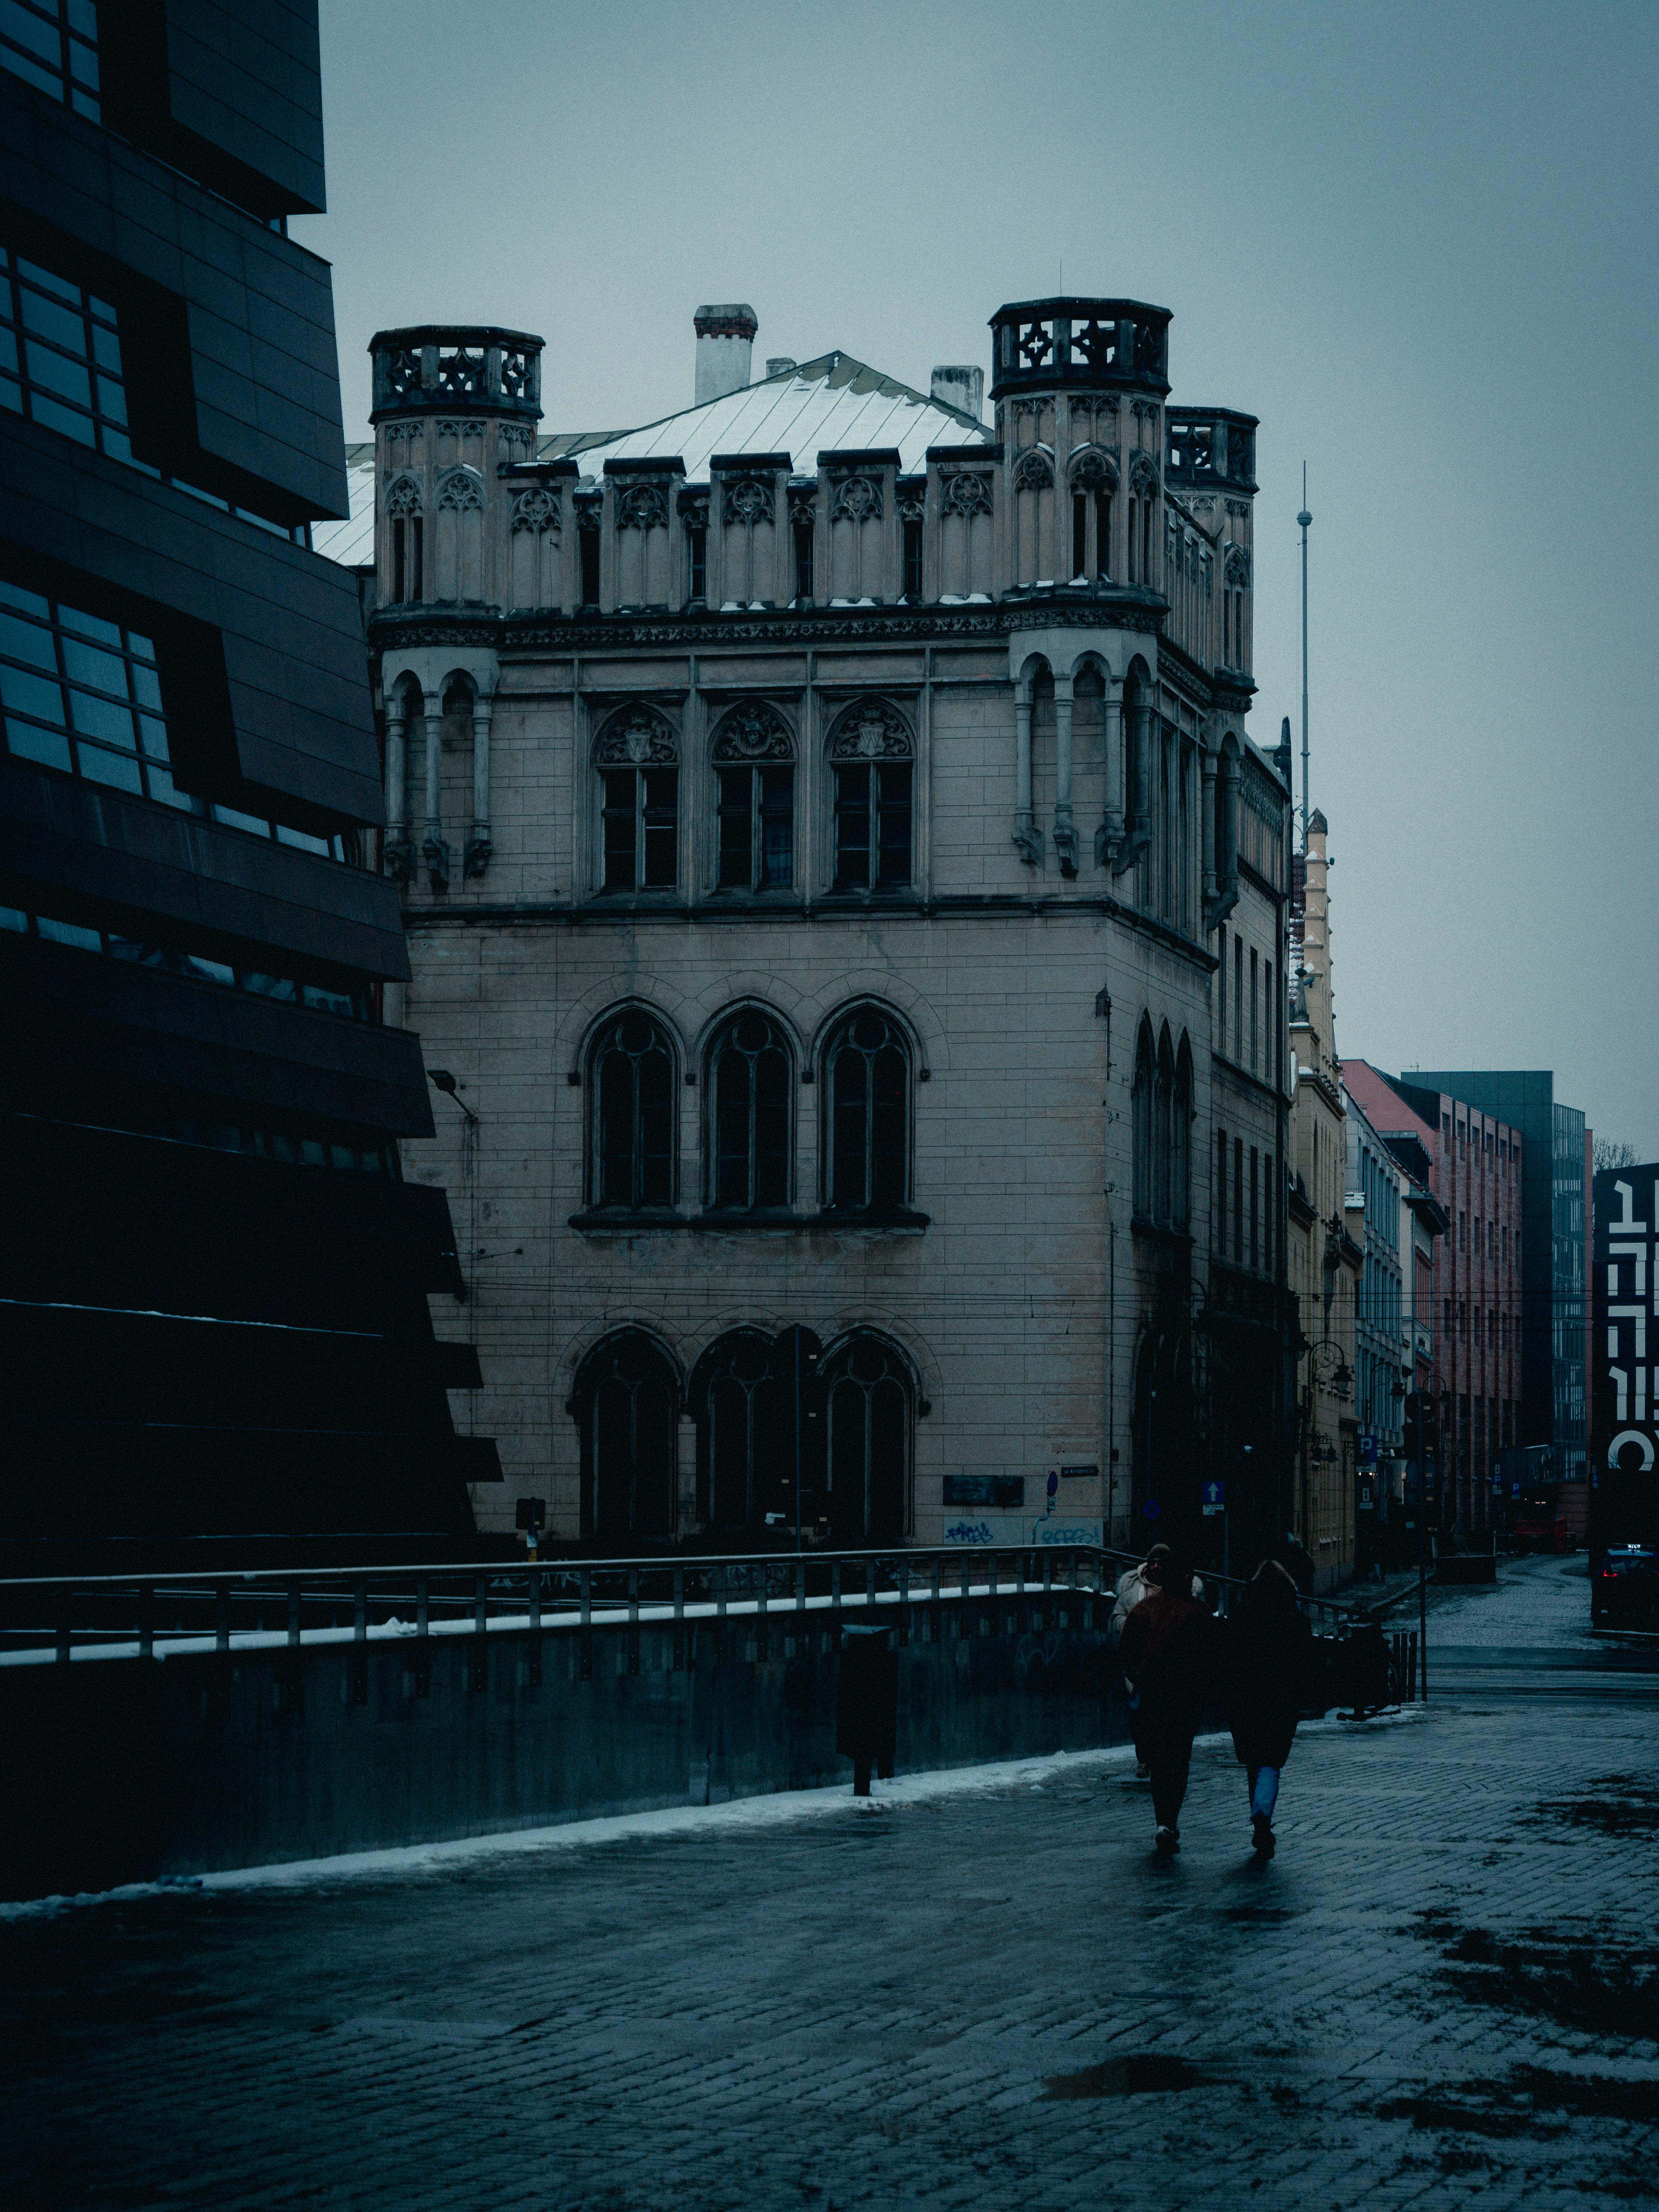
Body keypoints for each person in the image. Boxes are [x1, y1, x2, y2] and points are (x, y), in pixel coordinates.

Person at [1116, 1546, 1216, 1855]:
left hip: (1154, 1695)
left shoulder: (1145, 1611)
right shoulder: (1198, 1613)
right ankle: (1170, 1821)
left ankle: (1162, 1821)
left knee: (1159, 1761)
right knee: (1179, 1759)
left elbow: (1126, 1652)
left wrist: (1141, 1679)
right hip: (1187, 1699)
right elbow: (1213, 1658)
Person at [1227, 1558, 1312, 1860]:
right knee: (1270, 1763)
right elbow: (1306, 1665)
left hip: (1246, 1700)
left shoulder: (1240, 1616)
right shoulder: (1296, 1620)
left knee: (1255, 1762)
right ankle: (1262, 1816)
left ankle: (1259, 1819)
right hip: (1282, 1701)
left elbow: (1230, 1659)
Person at [1109, 1544, 1207, 1779]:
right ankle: (1146, 1758)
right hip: (1142, 1668)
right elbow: (1117, 1616)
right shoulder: (1132, 1588)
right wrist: (1131, 1628)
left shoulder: (1185, 1596)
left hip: (1175, 1673)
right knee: (1140, 1716)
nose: (1155, 1567)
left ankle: (1167, 1763)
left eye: (1160, 1563)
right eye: (1152, 1562)